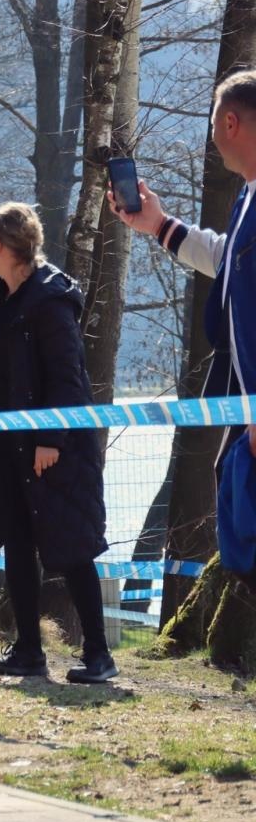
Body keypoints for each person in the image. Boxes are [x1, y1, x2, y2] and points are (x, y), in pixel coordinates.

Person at [0, 203, 115, 684]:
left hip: (51, 448)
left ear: (0, 245)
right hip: (4, 448)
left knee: (72, 545)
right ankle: (28, 652)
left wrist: (50, 439)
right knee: (18, 546)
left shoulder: (51, 300)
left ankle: (99, 655)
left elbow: (68, 377)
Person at [112, 68, 256, 595]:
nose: (212, 133)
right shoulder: (246, 197)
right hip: (242, 405)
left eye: (214, 120)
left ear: (232, 121)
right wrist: (157, 224)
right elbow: (226, 258)